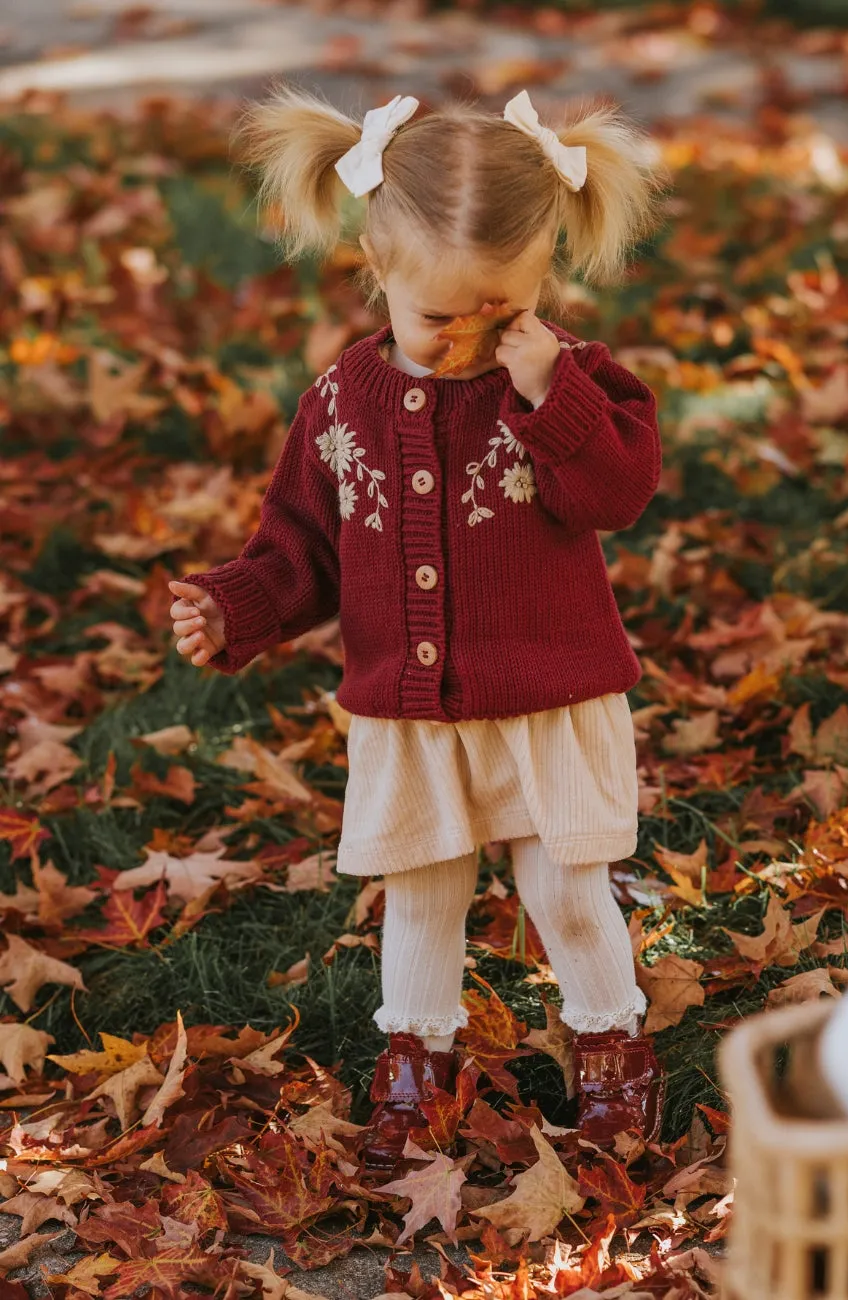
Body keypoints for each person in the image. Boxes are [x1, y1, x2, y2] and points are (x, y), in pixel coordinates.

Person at [168, 86, 668, 1170]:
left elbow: (617, 491)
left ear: (540, 278)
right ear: (378, 271)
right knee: (423, 894)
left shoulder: (567, 382)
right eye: (437, 316)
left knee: (566, 891)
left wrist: (553, 396)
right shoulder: (342, 399)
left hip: (549, 697)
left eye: (497, 311)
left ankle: (611, 1043)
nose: (463, 338)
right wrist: (236, 605)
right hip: (410, 710)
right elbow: (301, 540)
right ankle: (416, 1061)